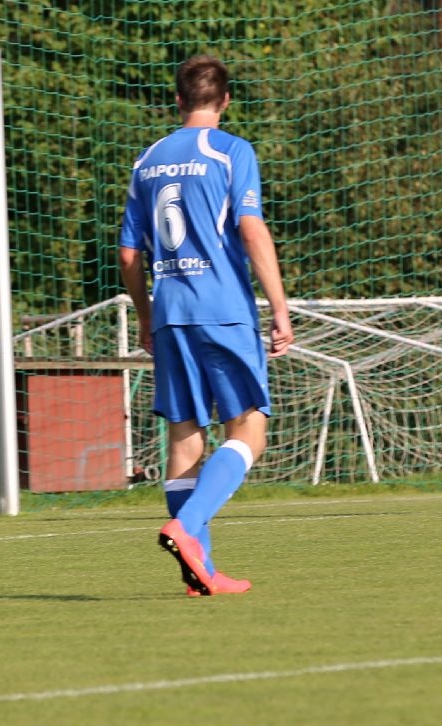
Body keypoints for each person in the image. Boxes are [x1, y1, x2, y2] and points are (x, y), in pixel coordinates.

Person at [118, 55, 294, 596]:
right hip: (222, 309)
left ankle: (202, 573)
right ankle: (186, 527)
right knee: (250, 429)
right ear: (224, 101)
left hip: (170, 311)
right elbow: (251, 230)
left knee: (184, 437)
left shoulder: (146, 161)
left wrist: (146, 317)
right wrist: (280, 308)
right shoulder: (231, 151)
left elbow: (128, 254)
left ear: (177, 101)